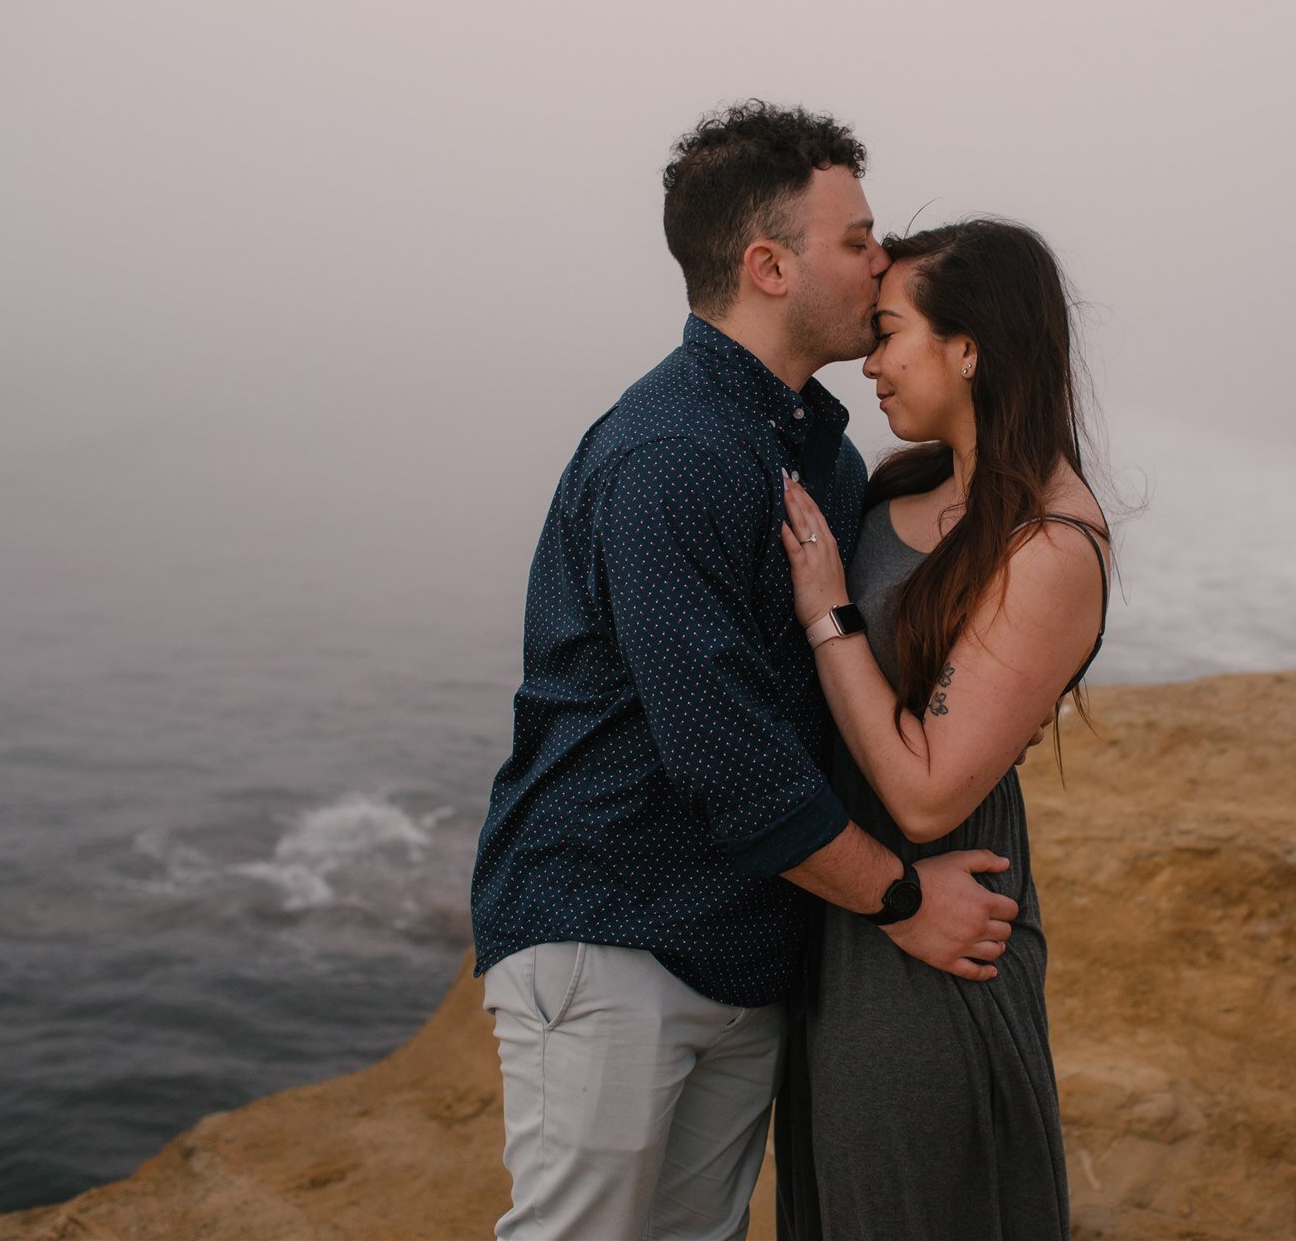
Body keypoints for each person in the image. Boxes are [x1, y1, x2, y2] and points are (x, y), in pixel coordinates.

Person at [467, 103, 1025, 1241]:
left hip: (744, 941)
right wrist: (907, 901)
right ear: (767, 266)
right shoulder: (671, 454)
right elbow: (725, 756)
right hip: (611, 924)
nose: (880, 263)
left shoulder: (815, 439)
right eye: (857, 239)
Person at [773, 219, 1111, 1241]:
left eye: (888, 333)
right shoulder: (906, 486)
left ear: (968, 347)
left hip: (941, 925)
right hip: (847, 899)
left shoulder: (1049, 542)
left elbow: (926, 788)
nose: (869, 364)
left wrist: (827, 615)